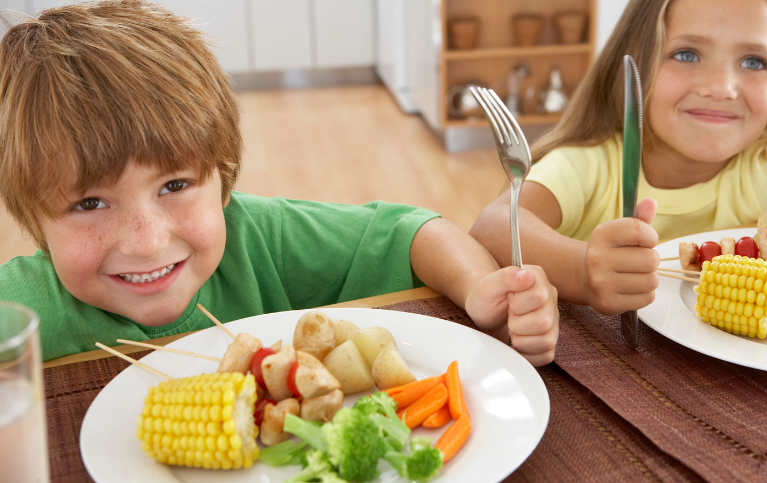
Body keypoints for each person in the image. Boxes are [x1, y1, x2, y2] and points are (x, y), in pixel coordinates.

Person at [0, 0, 559, 365]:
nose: (146, 240)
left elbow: (411, 232)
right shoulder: (16, 310)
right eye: (90, 202)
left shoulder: (258, 237)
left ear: (222, 177)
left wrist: (480, 290)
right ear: (34, 218)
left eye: (174, 185)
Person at [470, 0, 767, 316]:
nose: (722, 87)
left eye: (753, 62)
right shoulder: (592, 165)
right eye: (686, 54)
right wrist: (580, 270)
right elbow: (492, 224)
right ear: (633, 66)